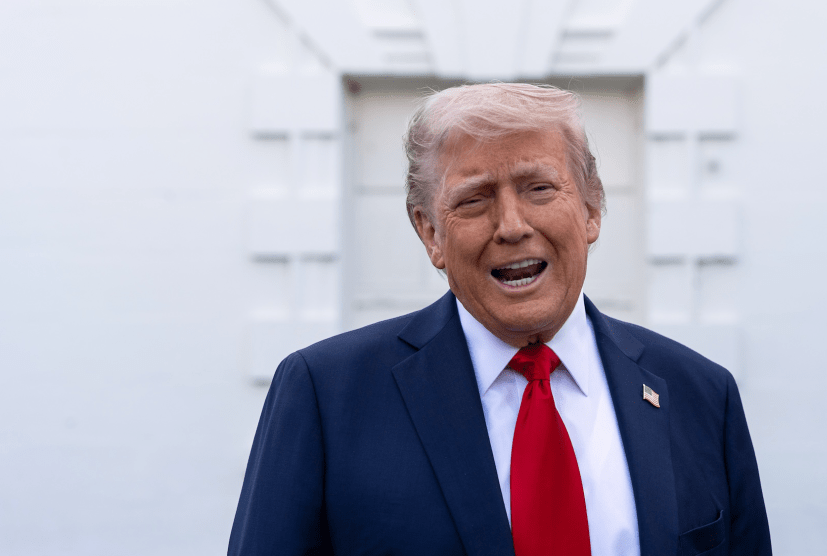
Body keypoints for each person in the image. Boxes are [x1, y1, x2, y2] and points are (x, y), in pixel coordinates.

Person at [228, 83, 771, 556]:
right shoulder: (326, 395)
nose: (511, 225)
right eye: (474, 199)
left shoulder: (702, 394)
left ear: (591, 209)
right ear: (430, 233)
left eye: (539, 188)